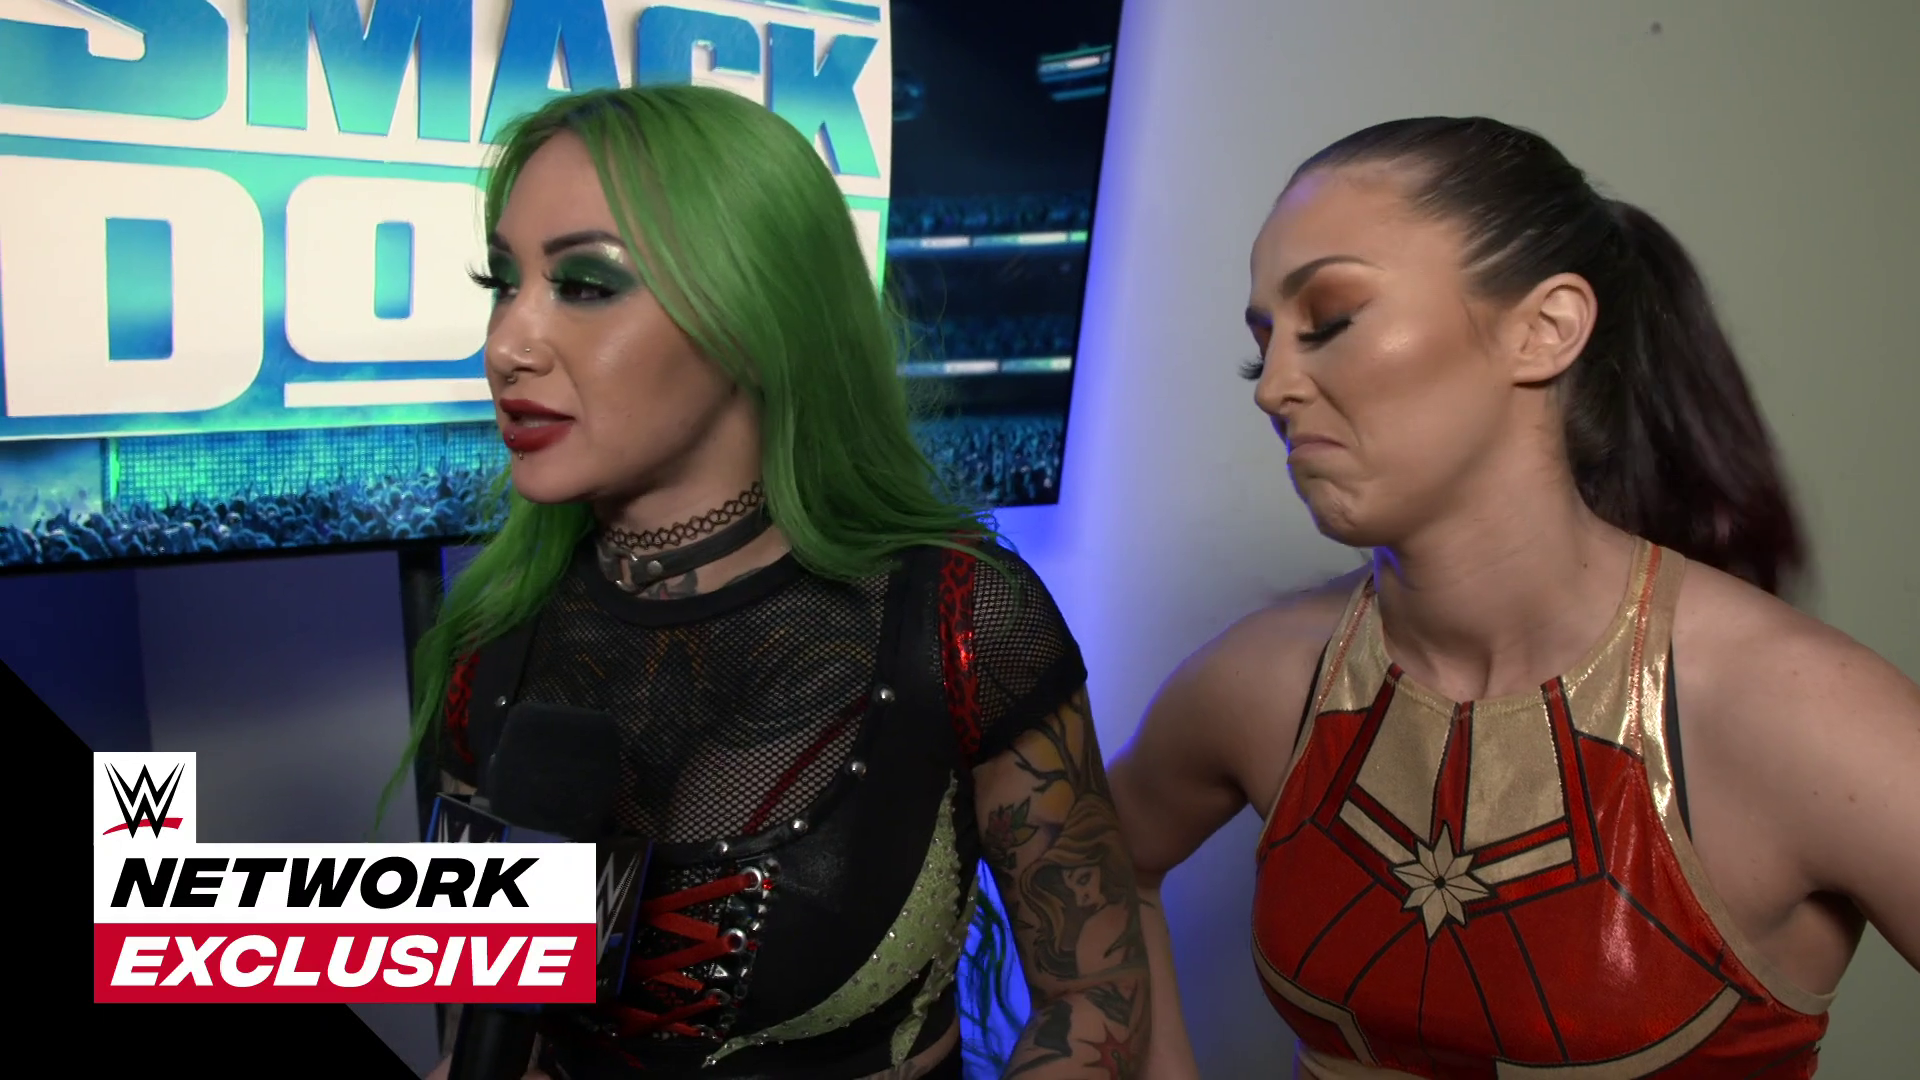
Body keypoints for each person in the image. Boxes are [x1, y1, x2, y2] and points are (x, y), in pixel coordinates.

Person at [1107, 116, 1920, 1078]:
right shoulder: (1264, 682)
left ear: (1544, 330)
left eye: (1330, 322)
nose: (1273, 387)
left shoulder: (1798, 715)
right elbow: (1093, 859)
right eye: (1262, 347)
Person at [376, 84, 1149, 1080]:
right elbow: (497, 1032)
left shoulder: (961, 619)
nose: (506, 348)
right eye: (503, 282)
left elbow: (1096, 1001)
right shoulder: (496, 634)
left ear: (753, 312)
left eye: (585, 284)